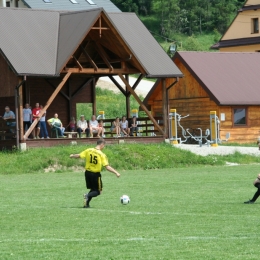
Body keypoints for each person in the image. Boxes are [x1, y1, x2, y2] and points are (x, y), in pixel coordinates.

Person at [69, 138, 120, 208]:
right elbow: (107, 167)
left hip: (87, 173)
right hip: (95, 174)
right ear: (102, 144)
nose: (104, 147)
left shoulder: (89, 150)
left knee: (93, 189)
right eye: (104, 146)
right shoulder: (101, 154)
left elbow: (79, 155)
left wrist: (72, 156)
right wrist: (116, 172)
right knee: (98, 191)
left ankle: (86, 204)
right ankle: (87, 195)